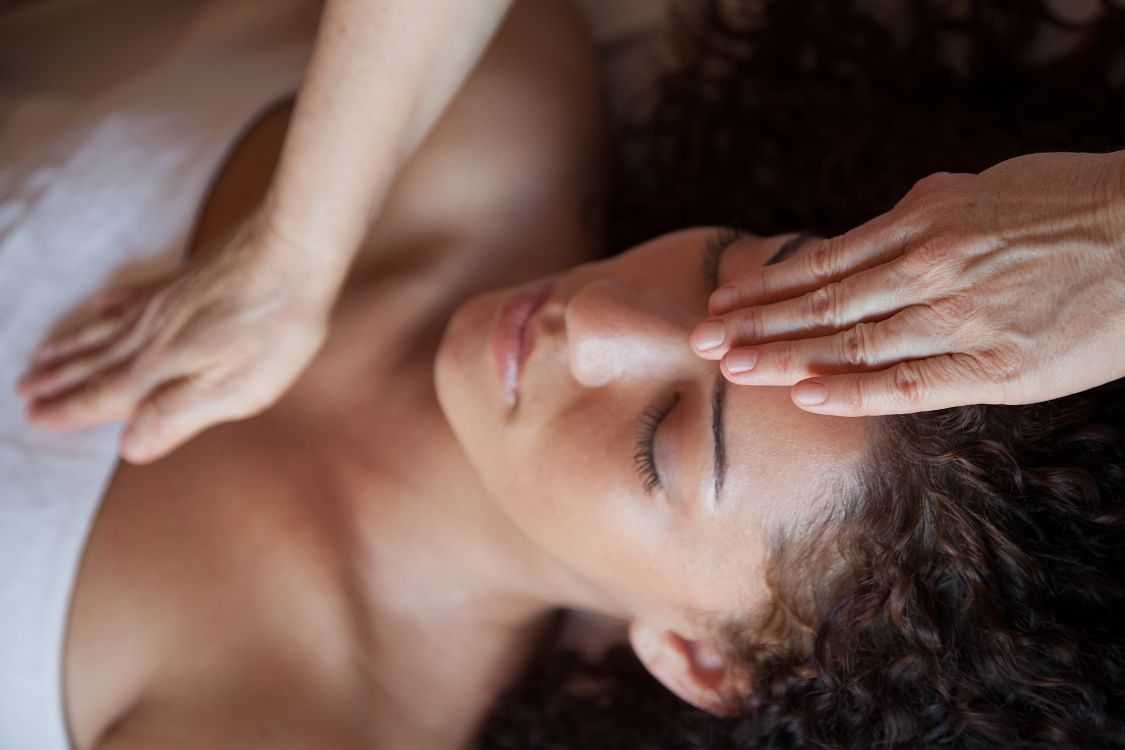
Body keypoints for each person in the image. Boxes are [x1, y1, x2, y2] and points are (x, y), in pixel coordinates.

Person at [6, 2, 1125, 750]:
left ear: (698, 657)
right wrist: (295, 244)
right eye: (740, 269)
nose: (596, 321)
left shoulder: (284, 720)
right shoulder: (491, 112)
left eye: (664, 441)